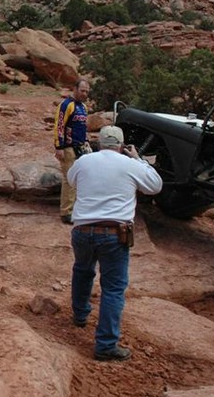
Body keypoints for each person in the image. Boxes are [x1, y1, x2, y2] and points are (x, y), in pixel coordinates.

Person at [67, 125, 163, 362]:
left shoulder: (85, 161)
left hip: (82, 229)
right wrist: (138, 159)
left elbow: (71, 181)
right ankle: (106, 344)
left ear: (100, 143)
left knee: (82, 270)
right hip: (113, 233)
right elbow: (155, 186)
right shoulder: (130, 164)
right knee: (113, 288)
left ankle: (80, 314)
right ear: (121, 146)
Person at [54, 79, 91, 224]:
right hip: (68, 147)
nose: (84, 94)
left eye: (87, 91)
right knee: (69, 179)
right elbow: (59, 125)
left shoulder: (83, 107)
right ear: (75, 89)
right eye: (82, 91)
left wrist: (86, 141)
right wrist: (59, 147)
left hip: (81, 147)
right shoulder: (66, 105)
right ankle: (66, 212)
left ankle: (76, 208)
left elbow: (83, 127)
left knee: (80, 179)